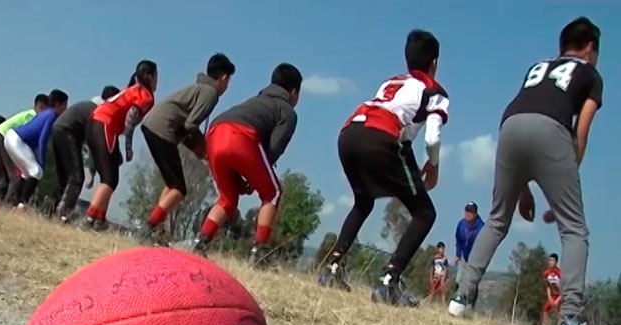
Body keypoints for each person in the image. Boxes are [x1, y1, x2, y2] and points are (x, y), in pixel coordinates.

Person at [449, 17, 603, 325]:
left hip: (510, 125)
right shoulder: (590, 75)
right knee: (574, 229)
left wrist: (524, 188)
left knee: (496, 220)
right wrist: (563, 189)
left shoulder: (538, 67)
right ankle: (571, 322)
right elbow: (580, 132)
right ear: (590, 48)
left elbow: (527, 118)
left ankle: (461, 296)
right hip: (552, 131)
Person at [317, 30, 449, 303]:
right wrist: (433, 165)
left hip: (350, 130)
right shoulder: (434, 90)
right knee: (425, 213)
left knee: (363, 202)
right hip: (382, 135)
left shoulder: (392, 81)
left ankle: (332, 267)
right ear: (434, 62)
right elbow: (432, 136)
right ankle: (389, 279)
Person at [191, 63, 302, 265]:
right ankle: (259, 251)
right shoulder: (287, 111)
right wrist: (253, 177)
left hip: (215, 132)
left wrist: (249, 175)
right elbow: (273, 149)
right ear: (294, 92)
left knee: (227, 198)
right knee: (273, 192)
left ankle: (201, 242)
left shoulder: (258, 100)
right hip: (241, 136)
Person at [140, 53, 235, 244]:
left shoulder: (199, 87)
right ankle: (148, 228)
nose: (227, 86)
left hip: (152, 124)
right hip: (163, 128)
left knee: (171, 183)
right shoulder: (210, 93)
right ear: (224, 77)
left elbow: (185, 128)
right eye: (229, 81)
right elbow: (191, 125)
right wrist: (205, 149)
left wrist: (197, 149)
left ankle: (155, 227)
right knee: (179, 189)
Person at [83, 60, 157, 230]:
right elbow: (131, 116)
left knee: (112, 174)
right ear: (150, 76)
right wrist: (129, 147)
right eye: (156, 76)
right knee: (109, 179)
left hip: (95, 121)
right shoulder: (145, 94)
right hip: (104, 124)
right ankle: (89, 219)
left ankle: (100, 219)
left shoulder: (131, 88)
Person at [51, 85, 120, 222]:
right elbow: (95, 143)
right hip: (67, 132)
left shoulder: (90, 105)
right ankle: (63, 214)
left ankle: (52, 210)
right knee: (76, 177)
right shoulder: (98, 111)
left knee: (64, 177)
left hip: (58, 130)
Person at [3, 89, 69, 209]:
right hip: (18, 140)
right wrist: (42, 161)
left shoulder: (44, 113)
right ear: (59, 104)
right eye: (65, 105)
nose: (65, 109)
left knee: (26, 173)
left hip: (10, 137)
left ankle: (15, 204)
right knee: (37, 171)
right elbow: (43, 138)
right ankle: (22, 205)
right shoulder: (52, 114)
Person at [0, 94, 49, 205]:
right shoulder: (33, 116)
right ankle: (9, 204)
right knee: (16, 175)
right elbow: (24, 137)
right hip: (3, 138)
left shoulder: (26, 113)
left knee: (3, 176)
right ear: (41, 107)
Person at [455, 202, 484, 287]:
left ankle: (469, 299)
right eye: (467, 211)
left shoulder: (481, 227)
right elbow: (458, 239)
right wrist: (458, 254)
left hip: (475, 257)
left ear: (475, 213)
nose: (468, 214)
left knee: (471, 281)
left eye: (471, 212)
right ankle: (456, 296)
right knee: (458, 279)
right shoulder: (461, 224)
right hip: (464, 255)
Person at [542, 253, 563, 325]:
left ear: (556, 262)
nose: (550, 262)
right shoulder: (546, 273)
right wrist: (549, 297)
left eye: (552, 260)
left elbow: (563, 288)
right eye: (549, 260)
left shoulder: (560, 273)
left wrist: (559, 299)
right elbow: (547, 286)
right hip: (552, 295)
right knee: (545, 309)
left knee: (560, 312)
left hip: (560, 296)